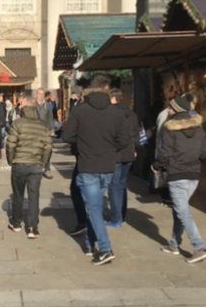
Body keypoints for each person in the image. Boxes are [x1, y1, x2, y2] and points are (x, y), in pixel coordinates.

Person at [61, 75, 127, 266]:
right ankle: (90, 243)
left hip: (88, 164)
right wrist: (108, 146)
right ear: (107, 90)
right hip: (108, 166)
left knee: (94, 209)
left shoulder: (81, 111)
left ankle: (105, 249)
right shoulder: (116, 113)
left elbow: (67, 135)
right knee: (94, 207)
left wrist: (84, 141)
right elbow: (124, 140)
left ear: (90, 89)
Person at [157, 94, 206, 264]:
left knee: (182, 210)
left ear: (176, 110)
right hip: (194, 173)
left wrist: (157, 165)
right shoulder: (199, 127)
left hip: (177, 173)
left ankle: (199, 246)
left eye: (171, 107)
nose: (168, 109)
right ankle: (174, 244)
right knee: (180, 209)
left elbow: (165, 153)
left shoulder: (169, 127)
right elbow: (203, 152)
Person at [5, 97, 53, 239]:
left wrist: (11, 159)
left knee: (18, 195)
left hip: (19, 163)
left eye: (21, 104)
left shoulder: (17, 123)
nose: (19, 105)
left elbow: (10, 144)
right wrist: (43, 163)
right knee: (34, 196)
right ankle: (33, 227)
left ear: (24, 108)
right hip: (36, 165)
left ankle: (16, 223)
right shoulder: (43, 126)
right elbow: (48, 146)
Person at [108, 89, 140, 228]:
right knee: (122, 185)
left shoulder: (111, 113)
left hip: (115, 153)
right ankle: (122, 215)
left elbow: (110, 134)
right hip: (129, 153)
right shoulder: (132, 114)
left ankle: (116, 219)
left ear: (113, 99)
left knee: (114, 187)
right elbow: (136, 134)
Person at [34, 88, 56, 180]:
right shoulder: (32, 105)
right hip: (35, 131)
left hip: (45, 131)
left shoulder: (48, 105)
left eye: (42, 94)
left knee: (48, 149)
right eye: (39, 94)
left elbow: (50, 118)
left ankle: (47, 168)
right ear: (36, 94)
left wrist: (52, 129)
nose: (41, 96)